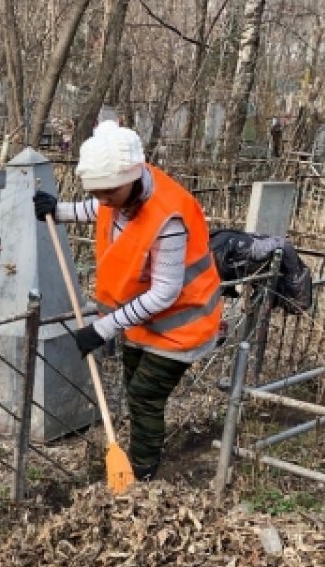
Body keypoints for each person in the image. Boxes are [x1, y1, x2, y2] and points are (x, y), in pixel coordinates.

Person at [33, 120, 222, 481]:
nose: (103, 200)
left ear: (133, 179)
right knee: (136, 392)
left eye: (109, 192)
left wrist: (102, 328)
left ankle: (143, 475)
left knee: (143, 397)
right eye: (97, 192)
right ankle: (138, 460)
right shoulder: (121, 190)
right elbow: (99, 208)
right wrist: (58, 210)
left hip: (181, 327)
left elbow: (164, 293)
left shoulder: (168, 218)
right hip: (139, 322)